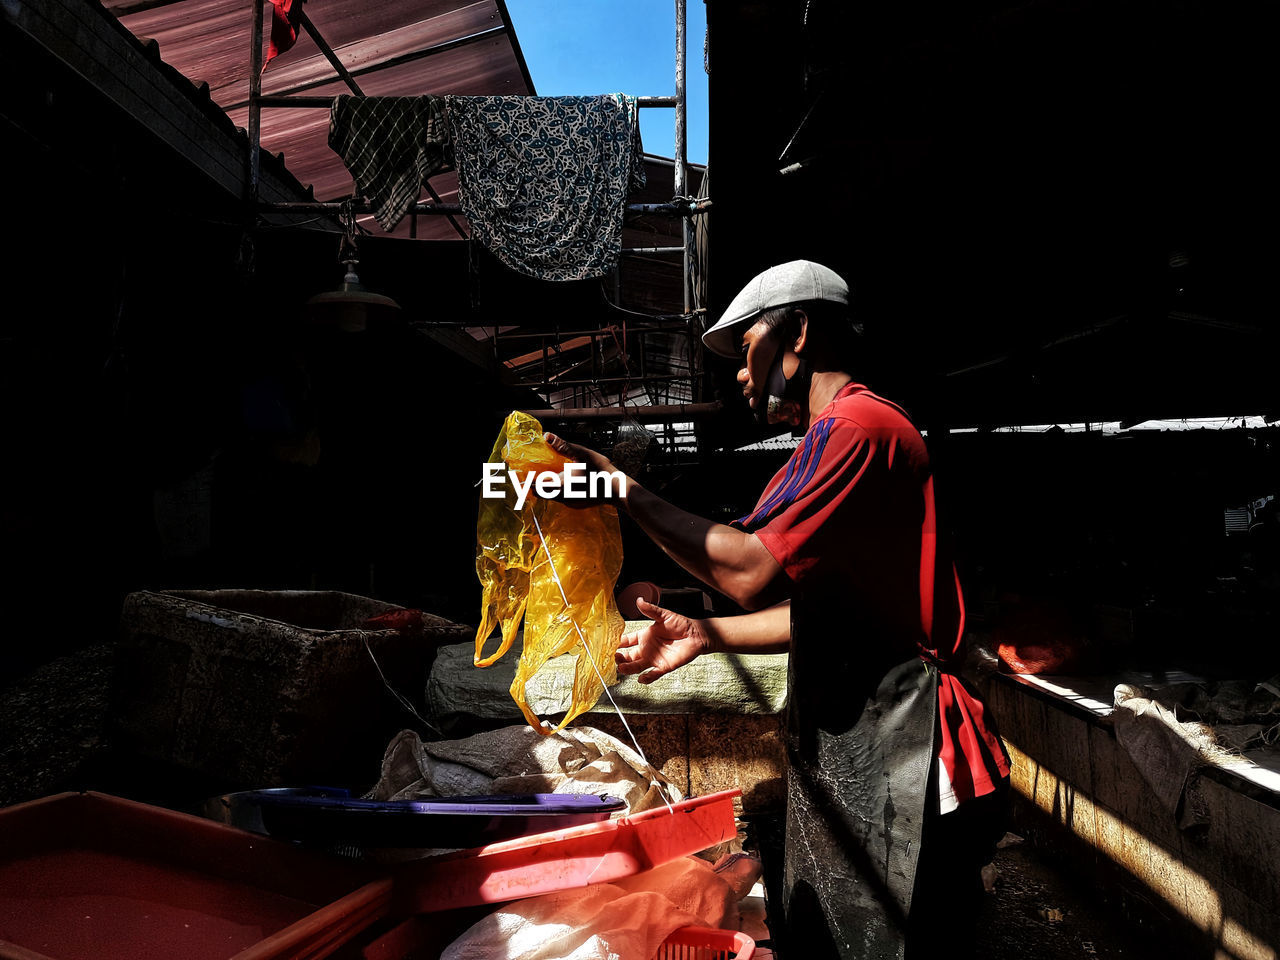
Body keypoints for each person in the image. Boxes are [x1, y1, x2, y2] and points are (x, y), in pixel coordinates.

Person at [544, 260, 1010, 960]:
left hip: (919, 754)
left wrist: (623, 490)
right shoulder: (822, 444)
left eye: (746, 346)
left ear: (797, 332)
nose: (737, 372)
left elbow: (749, 571)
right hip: (870, 741)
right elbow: (817, 610)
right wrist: (703, 633)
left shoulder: (858, 427)